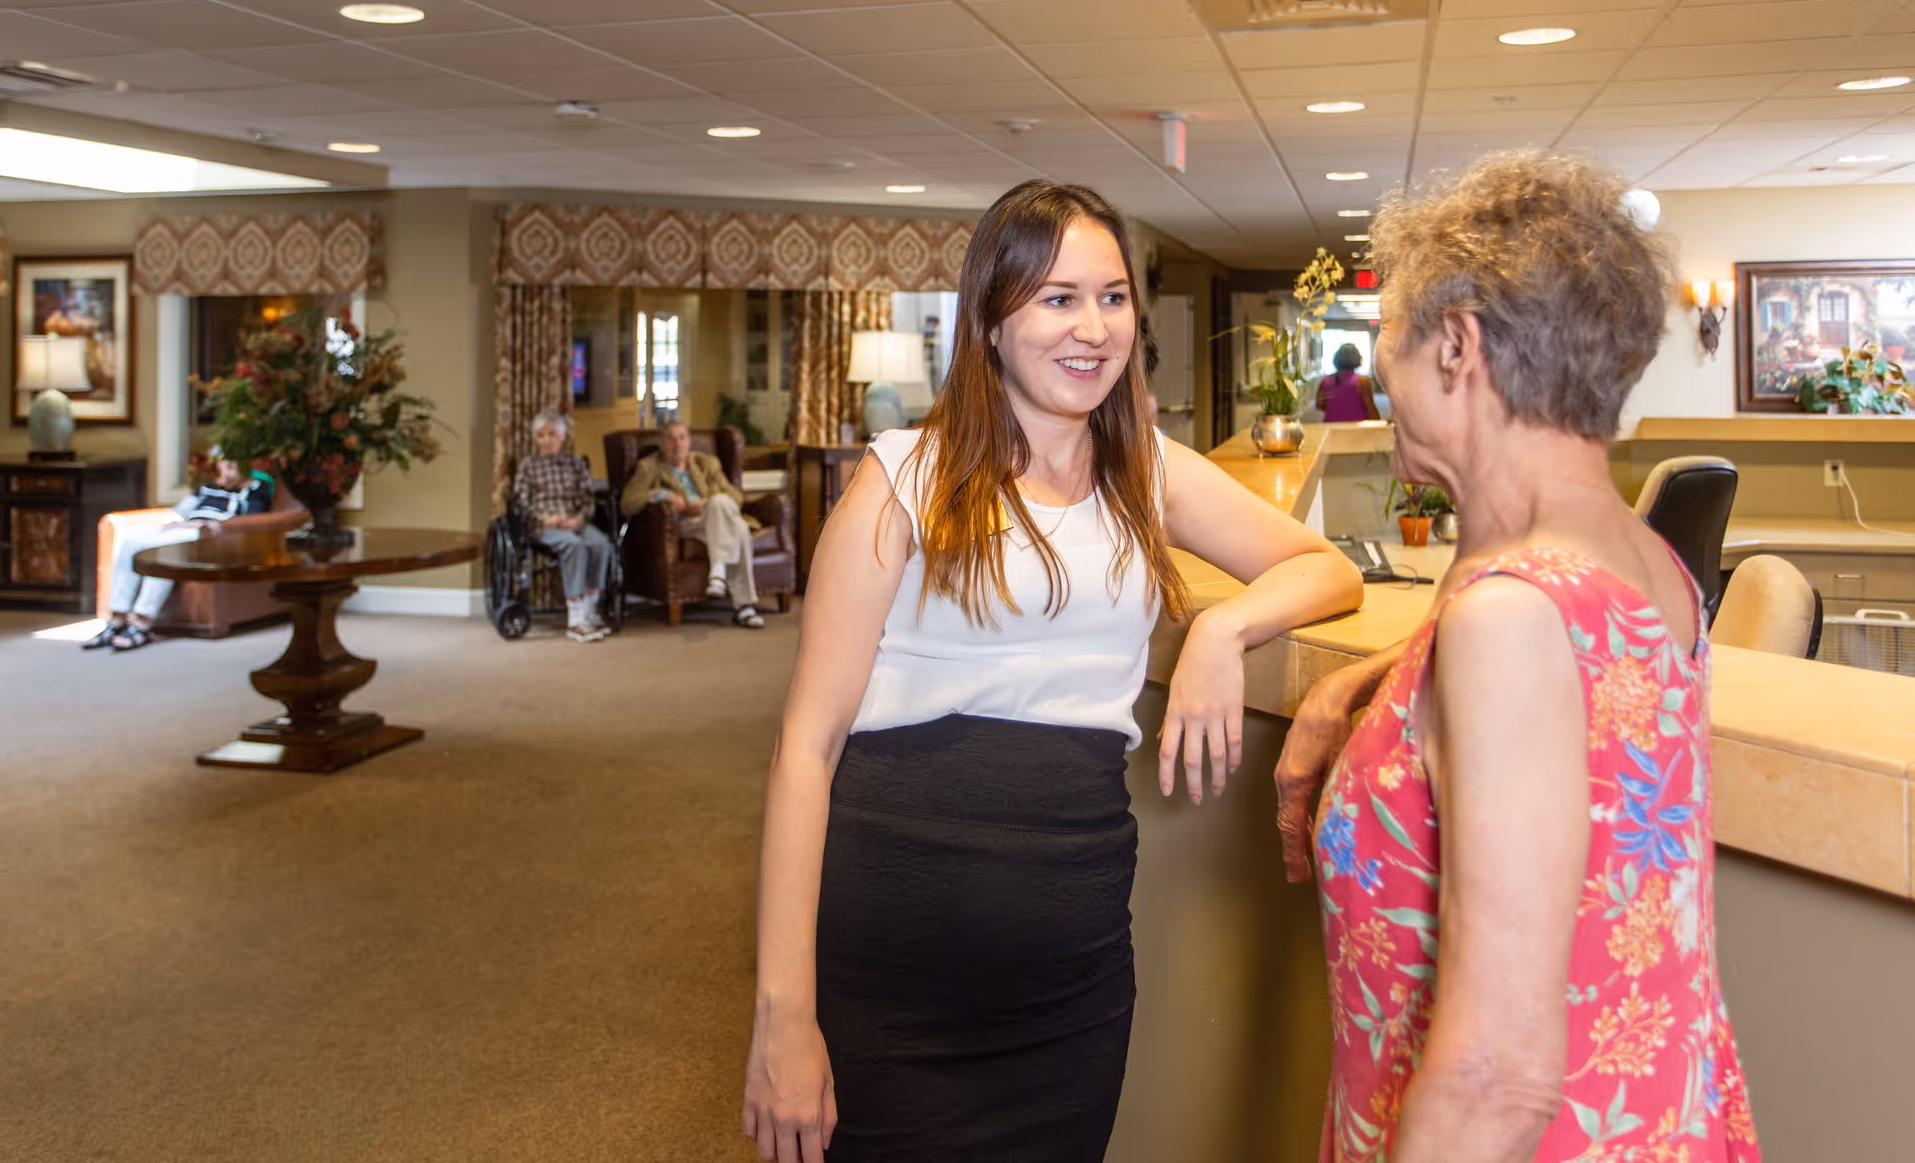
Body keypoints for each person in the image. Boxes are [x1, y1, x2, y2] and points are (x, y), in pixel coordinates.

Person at [741, 180, 1364, 1163]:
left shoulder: (1147, 471)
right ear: (990, 318)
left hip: (1070, 978)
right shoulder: (904, 477)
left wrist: (1223, 625)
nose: (1093, 327)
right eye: (1057, 297)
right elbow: (804, 750)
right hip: (896, 972)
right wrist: (781, 1015)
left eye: (1112, 296)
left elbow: (1326, 567)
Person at [1276, 151, 1761, 1162]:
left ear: (1457, 346)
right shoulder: (1648, 560)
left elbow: (1499, 1074)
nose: (1385, 385)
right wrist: (1361, 685)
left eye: (1392, 348)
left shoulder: (1508, 619)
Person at [86, 451, 274, 652]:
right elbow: (178, 512)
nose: (229, 471)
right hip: (183, 528)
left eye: (234, 466)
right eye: (225, 465)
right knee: (130, 540)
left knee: (166, 551)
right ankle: (117, 618)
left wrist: (209, 525)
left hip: (209, 535)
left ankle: (142, 622)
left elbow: (251, 520)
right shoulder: (208, 488)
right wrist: (175, 522)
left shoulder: (256, 489)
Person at [620, 420, 765, 629]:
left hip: (713, 518)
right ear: (662, 443)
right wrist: (664, 494)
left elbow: (735, 497)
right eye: (671, 438)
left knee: (726, 511)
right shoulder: (649, 467)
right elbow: (628, 502)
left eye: (682, 438)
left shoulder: (706, 463)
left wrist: (707, 503)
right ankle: (744, 606)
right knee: (737, 528)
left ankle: (719, 576)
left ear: (689, 443)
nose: (677, 443)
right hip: (686, 525)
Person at [514, 409, 615, 643]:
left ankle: (590, 611)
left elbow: (588, 499)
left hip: (575, 522)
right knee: (574, 546)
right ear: (536, 439)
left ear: (561, 437)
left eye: (551, 434)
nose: (546, 440)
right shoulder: (528, 466)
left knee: (601, 544)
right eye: (541, 435)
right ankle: (576, 620)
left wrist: (577, 519)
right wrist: (546, 519)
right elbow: (521, 502)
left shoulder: (575, 463)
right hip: (546, 525)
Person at [1315, 342, 1381, 421]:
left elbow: (1319, 405)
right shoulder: (1362, 381)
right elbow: (1370, 409)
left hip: (1331, 427)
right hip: (1356, 429)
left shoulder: (1325, 381)